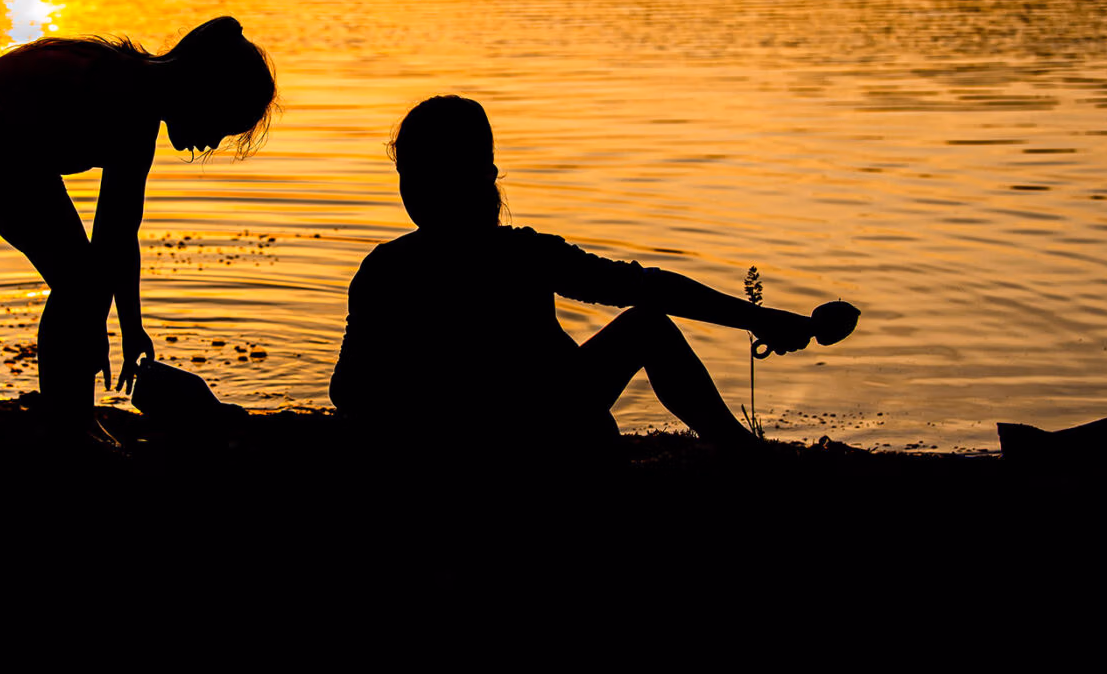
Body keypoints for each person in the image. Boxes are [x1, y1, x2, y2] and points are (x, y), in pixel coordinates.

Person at [331, 95, 854, 465]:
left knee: (646, 319)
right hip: (553, 432)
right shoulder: (523, 253)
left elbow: (348, 392)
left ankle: (739, 451)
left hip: (456, 447)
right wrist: (759, 319)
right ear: (488, 177)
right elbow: (650, 288)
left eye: (412, 176)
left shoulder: (384, 268)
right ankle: (739, 451)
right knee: (646, 325)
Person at [0, 16, 277, 443]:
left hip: (0, 139)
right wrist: (96, 317)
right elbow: (110, 244)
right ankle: (69, 425)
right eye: (220, 126)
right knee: (78, 283)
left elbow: (120, 234)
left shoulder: (139, 98)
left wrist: (130, 327)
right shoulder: (128, 97)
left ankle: (69, 416)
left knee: (81, 282)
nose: (212, 143)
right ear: (203, 91)